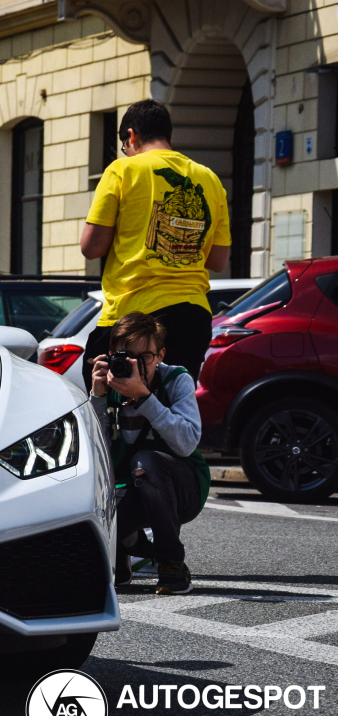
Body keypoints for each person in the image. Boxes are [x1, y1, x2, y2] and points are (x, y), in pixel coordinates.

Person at [80, 99, 230, 391]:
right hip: (193, 316)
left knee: (104, 396)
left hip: (134, 316)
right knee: (175, 405)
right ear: (169, 137)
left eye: (126, 145)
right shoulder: (209, 179)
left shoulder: (122, 171)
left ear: (132, 136)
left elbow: (91, 247)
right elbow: (218, 260)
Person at [90, 312, 209, 596]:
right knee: (93, 523)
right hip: (131, 488)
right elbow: (97, 457)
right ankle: (125, 549)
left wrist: (144, 398)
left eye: (145, 356)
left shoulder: (176, 380)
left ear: (160, 355)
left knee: (146, 462)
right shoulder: (107, 384)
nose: (134, 364)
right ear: (111, 354)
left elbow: (186, 444)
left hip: (183, 486)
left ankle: (171, 563)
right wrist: (96, 398)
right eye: (126, 356)